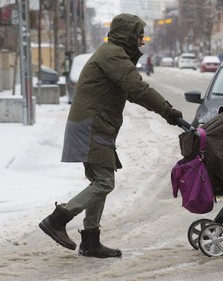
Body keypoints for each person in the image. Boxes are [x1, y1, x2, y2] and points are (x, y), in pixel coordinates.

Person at [39, 13, 183, 258]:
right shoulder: (112, 54)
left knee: (99, 182)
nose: (142, 42)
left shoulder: (113, 54)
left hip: (96, 125)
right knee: (105, 183)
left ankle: (91, 242)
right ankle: (57, 219)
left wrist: (167, 113)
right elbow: (138, 87)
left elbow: (133, 92)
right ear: (127, 36)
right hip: (92, 126)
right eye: (140, 36)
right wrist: (168, 111)